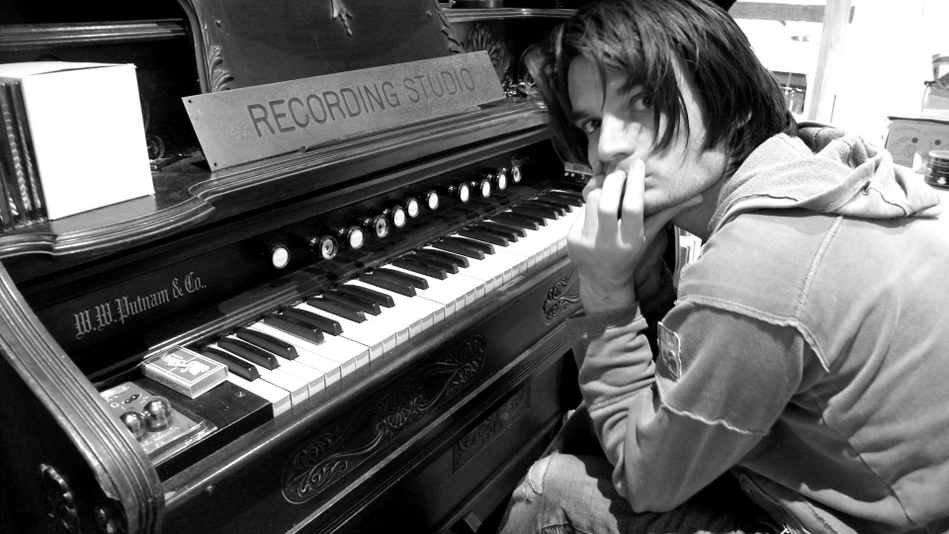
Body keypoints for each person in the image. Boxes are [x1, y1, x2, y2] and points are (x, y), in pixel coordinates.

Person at [497, 0, 949, 532]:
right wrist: (644, 277)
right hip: (886, 483)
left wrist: (605, 291)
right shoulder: (809, 164)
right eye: (593, 123)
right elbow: (707, 358)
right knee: (587, 426)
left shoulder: (756, 264)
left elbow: (645, 481)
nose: (607, 148)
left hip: (859, 523)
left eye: (642, 100)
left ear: (729, 99)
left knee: (550, 488)